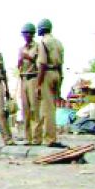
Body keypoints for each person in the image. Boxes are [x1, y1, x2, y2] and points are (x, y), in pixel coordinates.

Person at [36, 19, 65, 147]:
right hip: (57, 74)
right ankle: (49, 135)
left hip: (47, 73)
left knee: (47, 109)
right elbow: (61, 64)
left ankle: (50, 138)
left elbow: (42, 64)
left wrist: (38, 83)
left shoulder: (43, 42)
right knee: (52, 107)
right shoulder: (58, 43)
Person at [17, 23, 41, 145]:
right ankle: (28, 137)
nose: (26, 35)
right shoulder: (21, 48)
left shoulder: (37, 46)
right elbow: (19, 65)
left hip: (33, 77)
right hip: (24, 78)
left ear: (33, 34)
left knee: (35, 109)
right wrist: (20, 60)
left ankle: (37, 137)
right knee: (25, 109)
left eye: (28, 33)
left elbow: (38, 61)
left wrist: (27, 56)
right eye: (24, 33)